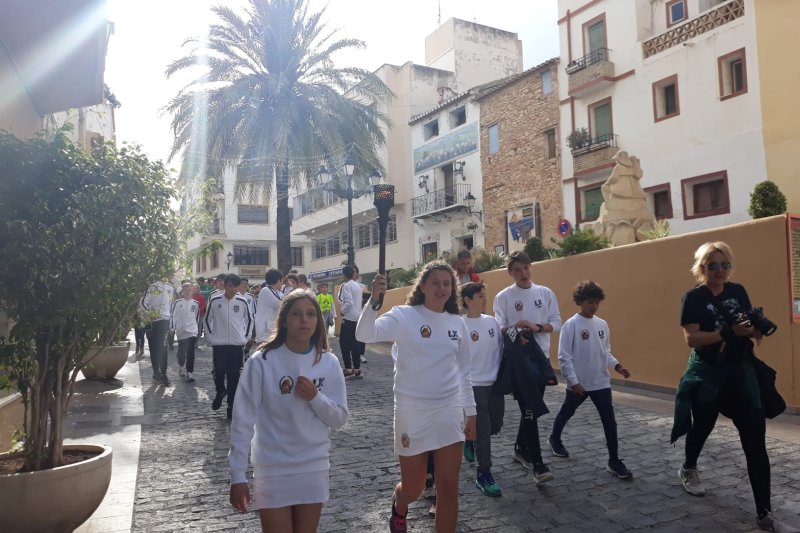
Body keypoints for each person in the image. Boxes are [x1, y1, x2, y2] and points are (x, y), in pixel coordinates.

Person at [357, 261, 477, 533]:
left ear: (453, 289)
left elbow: (463, 371)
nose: (441, 288)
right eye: (435, 282)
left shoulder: (457, 323)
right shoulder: (404, 316)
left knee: (448, 487)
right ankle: (400, 504)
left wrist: (471, 411)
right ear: (422, 286)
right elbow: (364, 334)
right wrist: (373, 301)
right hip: (412, 411)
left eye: (446, 283)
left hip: (448, 410)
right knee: (414, 487)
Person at [671, 242, 777, 531]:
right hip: (708, 373)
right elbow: (692, 339)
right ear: (702, 268)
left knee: (755, 441)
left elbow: (746, 322)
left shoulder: (737, 290)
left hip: (740, 372)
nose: (720, 270)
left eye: (725, 265)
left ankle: (764, 512)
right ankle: (688, 467)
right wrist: (729, 332)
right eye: (713, 265)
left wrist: (754, 330)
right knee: (703, 425)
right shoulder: (692, 298)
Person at [229, 291, 348, 533]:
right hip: (272, 468)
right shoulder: (261, 362)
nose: (304, 320)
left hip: (313, 467)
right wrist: (237, 476)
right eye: (296, 314)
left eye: (311, 314)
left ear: (318, 320)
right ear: (283, 320)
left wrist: (315, 397)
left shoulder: (329, 363)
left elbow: (339, 419)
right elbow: (242, 421)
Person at [548, 280, 633, 480]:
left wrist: (618, 366)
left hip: (601, 382)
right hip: (579, 383)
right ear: (580, 301)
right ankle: (554, 439)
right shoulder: (571, 325)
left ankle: (614, 461)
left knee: (609, 421)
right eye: (589, 302)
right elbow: (564, 357)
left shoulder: (602, 324)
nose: (593, 306)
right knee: (567, 412)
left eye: (596, 302)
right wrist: (573, 381)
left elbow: (605, 352)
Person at [492, 250, 561, 484]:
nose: (523, 273)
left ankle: (520, 448)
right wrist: (516, 331)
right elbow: (499, 328)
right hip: (518, 362)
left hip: (541, 360)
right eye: (517, 270)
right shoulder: (503, 297)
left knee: (530, 409)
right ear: (510, 272)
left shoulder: (545, 293)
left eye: (526, 268)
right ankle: (538, 465)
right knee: (530, 410)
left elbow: (556, 323)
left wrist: (536, 327)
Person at [461, 281, 505, 497]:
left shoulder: (492, 322)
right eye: (480, 296)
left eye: (484, 295)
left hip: (494, 384)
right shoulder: (460, 325)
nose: (484, 299)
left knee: (495, 425)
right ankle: (484, 474)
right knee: (485, 431)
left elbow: (501, 349)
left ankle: (470, 438)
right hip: (473, 385)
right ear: (467, 300)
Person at [206, 274, 253, 419]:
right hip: (219, 345)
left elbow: (250, 320)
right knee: (219, 373)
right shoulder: (215, 300)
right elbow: (207, 319)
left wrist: (245, 338)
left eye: (235, 286)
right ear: (224, 285)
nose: (232, 289)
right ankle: (221, 391)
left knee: (234, 377)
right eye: (230, 286)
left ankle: (231, 405)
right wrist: (210, 337)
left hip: (236, 346)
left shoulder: (242, 301)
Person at [141, 278, 175, 385]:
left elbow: (171, 305)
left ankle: (163, 374)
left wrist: (171, 324)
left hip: (165, 321)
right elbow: (142, 303)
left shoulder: (170, 287)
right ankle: (156, 372)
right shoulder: (151, 285)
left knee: (163, 347)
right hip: (152, 321)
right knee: (154, 348)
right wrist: (150, 314)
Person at [339, 265, 365, 378]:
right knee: (355, 344)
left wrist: (342, 311)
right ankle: (357, 369)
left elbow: (349, 302)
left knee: (344, 343)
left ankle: (348, 369)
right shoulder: (358, 286)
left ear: (344, 274)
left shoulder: (346, 285)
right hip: (357, 317)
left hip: (349, 317)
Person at [171, 282, 200, 382]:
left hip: (192, 331)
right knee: (182, 352)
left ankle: (190, 372)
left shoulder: (196, 303)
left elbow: (196, 317)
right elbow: (173, 316)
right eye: (186, 290)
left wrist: (195, 329)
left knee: (191, 351)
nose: (188, 291)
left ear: (192, 291)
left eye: (189, 289)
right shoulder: (178, 303)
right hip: (181, 331)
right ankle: (181, 365)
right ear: (183, 291)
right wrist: (172, 328)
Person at [254, 269, 284, 343]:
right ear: (278, 279)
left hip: (272, 332)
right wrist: (289, 288)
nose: (282, 283)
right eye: (282, 280)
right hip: (264, 334)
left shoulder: (278, 292)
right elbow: (281, 304)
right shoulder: (265, 290)